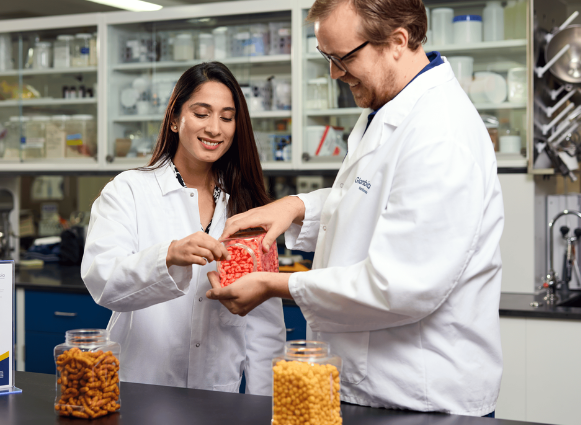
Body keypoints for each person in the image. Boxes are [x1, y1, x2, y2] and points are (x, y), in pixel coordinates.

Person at [206, 0, 504, 417]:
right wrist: (295, 207)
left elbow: (399, 285)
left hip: (420, 397)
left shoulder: (441, 134)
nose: (334, 73)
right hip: (372, 386)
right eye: (325, 57)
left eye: (343, 57)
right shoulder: (387, 108)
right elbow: (372, 196)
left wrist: (276, 285)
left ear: (398, 41)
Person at [81, 62, 285, 395]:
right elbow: (102, 280)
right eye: (202, 114)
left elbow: (265, 328)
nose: (215, 129)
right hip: (140, 389)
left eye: (227, 117)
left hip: (218, 396)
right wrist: (168, 256)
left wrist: (265, 407)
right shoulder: (129, 190)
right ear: (175, 119)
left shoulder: (248, 207)